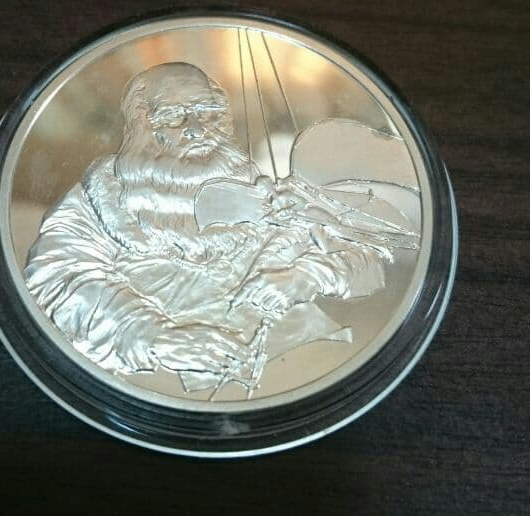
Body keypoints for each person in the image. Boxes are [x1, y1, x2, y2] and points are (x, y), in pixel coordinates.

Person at [25, 62, 392, 396]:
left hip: (316, 363)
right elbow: (58, 282)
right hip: (183, 388)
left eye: (207, 112)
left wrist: (305, 276)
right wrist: (158, 337)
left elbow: (368, 259)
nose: (196, 129)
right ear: (142, 125)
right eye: (174, 117)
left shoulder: (260, 186)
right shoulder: (100, 201)